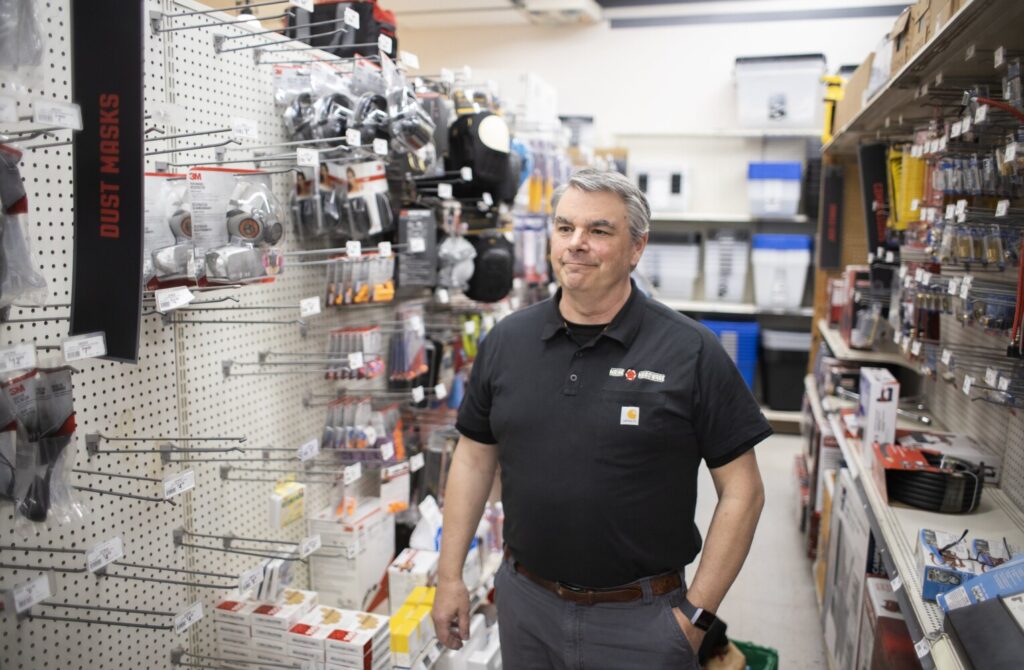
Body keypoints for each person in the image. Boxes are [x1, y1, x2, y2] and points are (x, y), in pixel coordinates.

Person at [431, 168, 770, 669]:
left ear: (637, 247)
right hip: (526, 606)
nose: (576, 243)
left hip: (643, 620)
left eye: (599, 230)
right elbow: (473, 460)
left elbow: (744, 491)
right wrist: (450, 576)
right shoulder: (507, 342)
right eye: (565, 227)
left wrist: (695, 618)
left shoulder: (690, 351)